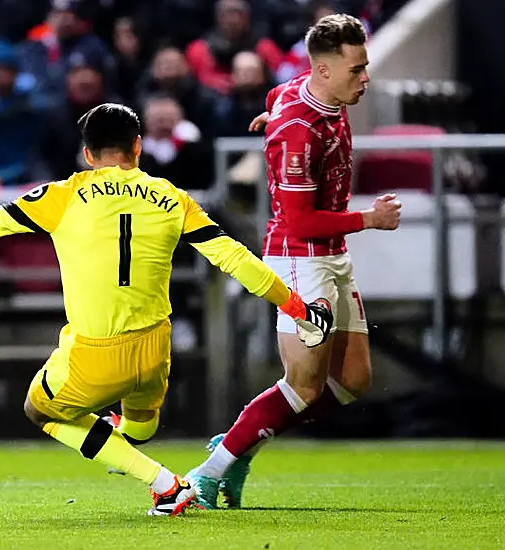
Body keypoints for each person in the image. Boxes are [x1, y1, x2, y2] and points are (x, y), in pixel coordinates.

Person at [0, 103, 334, 516]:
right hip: (155, 350)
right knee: (139, 428)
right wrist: (298, 309)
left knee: (39, 410)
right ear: (138, 146)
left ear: (87, 154)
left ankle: (167, 486)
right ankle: (125, 442)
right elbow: (235, 259)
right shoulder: (173, 197)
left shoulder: (61, 196)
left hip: (95, 355)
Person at [186, 13, 402, 510]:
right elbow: (302, 221)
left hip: (332, 257)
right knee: (303, 386)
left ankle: (238, 444)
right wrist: (369, 219)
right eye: (356, 70)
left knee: (352, 382)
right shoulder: (299, 133)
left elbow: (275, 96)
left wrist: (270, 115)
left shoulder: (304, 92)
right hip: (300, 262)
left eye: (364, 66)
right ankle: (208, 472)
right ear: (324, 71)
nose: (365, 78)